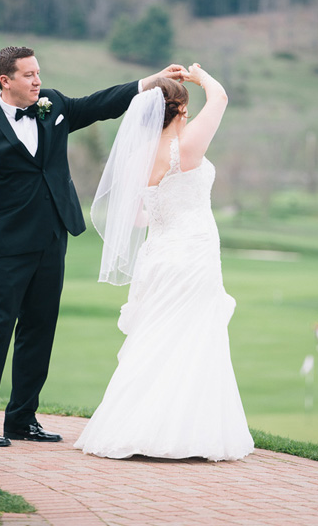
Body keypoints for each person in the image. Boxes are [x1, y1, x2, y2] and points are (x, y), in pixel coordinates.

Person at [0, 45, 185, 447]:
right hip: (9, 244)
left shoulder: (53, 105)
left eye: (38, 73)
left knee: (39, 329)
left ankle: (22, 420)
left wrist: (151, 83)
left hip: (53, 236)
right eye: (28, 75)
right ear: (5, 81)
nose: (38, 80)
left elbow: (98, 105)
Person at [74, 65, 255, 461]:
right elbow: (221, 98)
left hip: (159, 255)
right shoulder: (186, 150)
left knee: (155, 336)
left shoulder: (141, 157)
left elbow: (138, 216)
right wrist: (202, 75)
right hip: (192, 254)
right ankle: (186, 432)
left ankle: (129, 425)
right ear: (181, 110)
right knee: (194, 335)